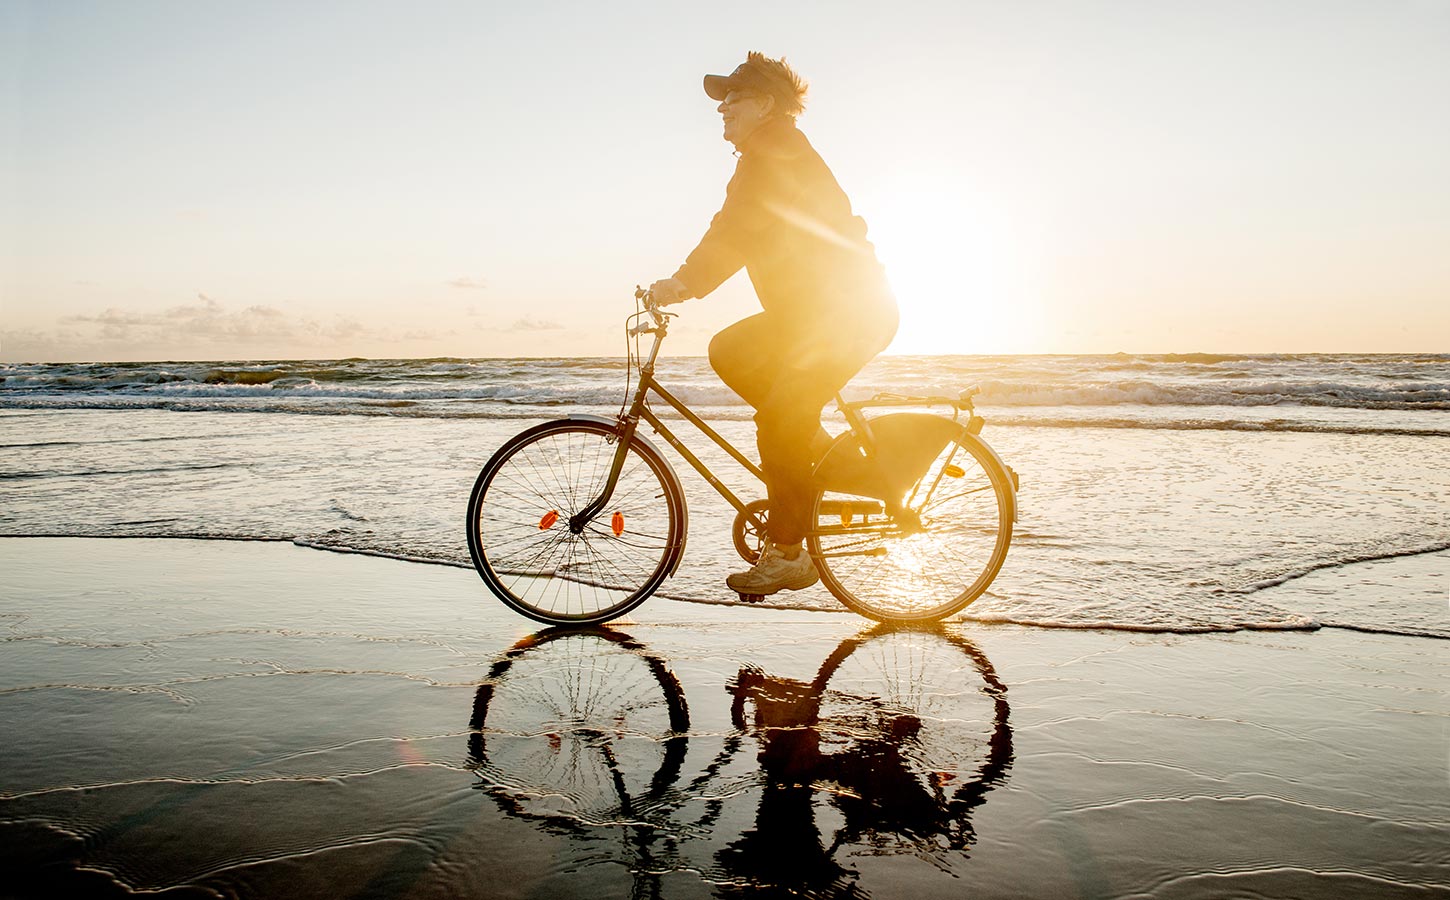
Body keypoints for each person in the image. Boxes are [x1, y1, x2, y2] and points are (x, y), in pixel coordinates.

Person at [649, 52, 898, 597]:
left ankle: (788, 552)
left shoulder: (776, 151)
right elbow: (732, 225)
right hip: (812, 317)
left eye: (733, 98)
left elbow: (736, 230)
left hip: (848, 314)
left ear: (765, 104)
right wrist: (685, 280)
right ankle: (815, 451)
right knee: (731, 352)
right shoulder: (765, 154)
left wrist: (683, 283)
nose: (722, 109)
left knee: (781, 420)